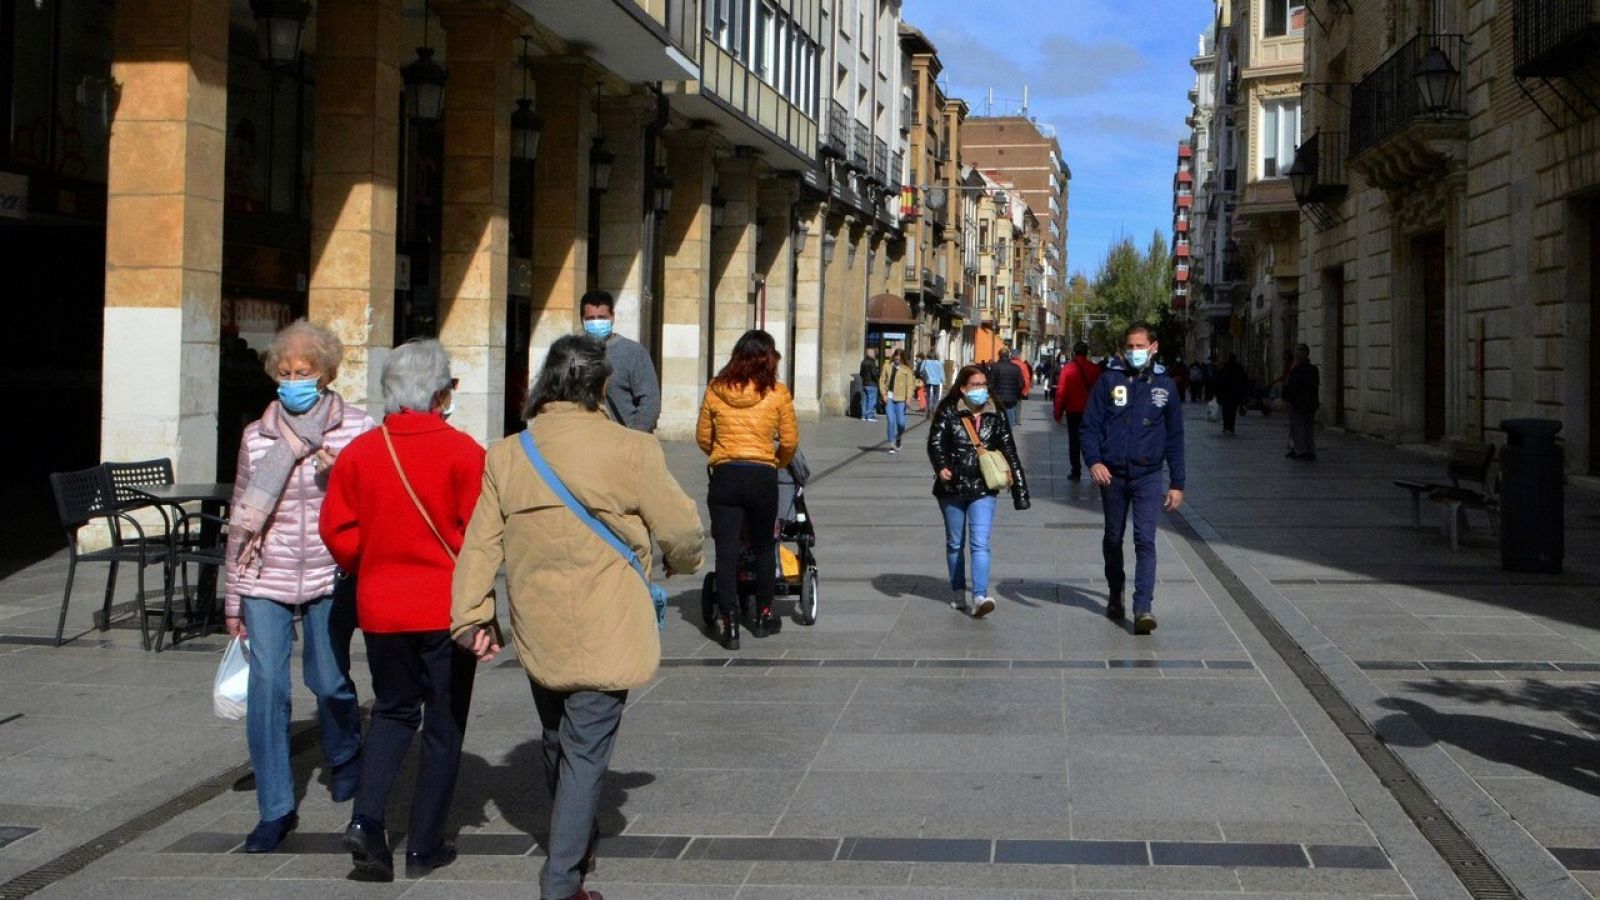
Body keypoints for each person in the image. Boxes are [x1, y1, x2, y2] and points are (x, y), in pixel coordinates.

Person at [452, 335, 703, 900]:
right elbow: (682, 530)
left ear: (545, 384)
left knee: (556, 736)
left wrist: (471, 615)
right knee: (585, 750)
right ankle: (562, 882)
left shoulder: (508, 453)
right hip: (609, 618)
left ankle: (575, 838)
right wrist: (685, 562)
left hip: (538, 623)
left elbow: (479, 544)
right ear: (601, 387)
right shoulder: (630, 448)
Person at [319, 340, 486, 882]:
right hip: (445, 607)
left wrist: (371, 561)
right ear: (441, 393)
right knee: (442, 722)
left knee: (391, 712)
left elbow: (337, 531)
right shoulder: (464, 452)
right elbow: (478, 535)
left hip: (382, 605)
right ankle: (424, 843)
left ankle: (367, 821)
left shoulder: (362, 452)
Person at [223, 319, 374, 853]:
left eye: (303, 372)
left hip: (331, 573)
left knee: (328, 679)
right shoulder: (256, 435)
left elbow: (373, 507)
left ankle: (345, 750)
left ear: (327, 374)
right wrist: (234, 595)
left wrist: (344, 479)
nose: (292, 381)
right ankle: (275, 807)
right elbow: (242, 515)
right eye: (284, 373)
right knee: (269, 688)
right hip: (266, 571)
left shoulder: (356, 429)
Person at [697, 330, 801, 650]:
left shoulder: (715, 390)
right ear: (770, 359)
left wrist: (723, 455)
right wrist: (775, 462)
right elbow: (790, 442)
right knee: (764, 546)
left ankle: (729, 622)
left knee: (726, 551)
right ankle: (764, 614)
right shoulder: (778, 393)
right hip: (761, 477)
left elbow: (703, 437)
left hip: (726, 476)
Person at [1082, 324, 1186, 636]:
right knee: (1113, 538)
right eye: (1130, 345)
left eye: (1140, 345)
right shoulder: (1109, 380)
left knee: (1145, 539)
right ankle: (1116, 592)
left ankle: (1143, 607)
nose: (1134, 351)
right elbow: (1089, 426)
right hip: (1112, 475)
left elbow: (1175, 437)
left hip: (1148, 475)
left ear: (1153, 347)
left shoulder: (1165, 386)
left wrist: (1177, 483)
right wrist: (1094, 461)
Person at [927, 365, 1030, 619]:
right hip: (952, 487)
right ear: (963, 388)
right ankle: (958, 590)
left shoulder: (996, 414)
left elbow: (1010, 452)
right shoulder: (948, 412)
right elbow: (935, 442)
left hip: (984, 487)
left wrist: (1021, 492)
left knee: (980, 543)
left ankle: (980, 596)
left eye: (984, 385)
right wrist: (941, 467)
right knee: (955, 543)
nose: (981, 390)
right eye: (975, 385)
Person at [578, 290, 661, 432]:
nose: (596, 322)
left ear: (612, 317)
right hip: (584, 440)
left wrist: (635, 435)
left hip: (623, 440)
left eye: (601, 317)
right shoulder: (572, 352)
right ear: (582, 320)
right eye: (590, 319)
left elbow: (650, 400)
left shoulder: (633, 352)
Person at [1052, 341, 1103, 481]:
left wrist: (1058, 412)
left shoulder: (1067, 369)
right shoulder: (1094, 369)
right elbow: (1101, 392)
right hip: (1091, 412)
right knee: (1093, 439)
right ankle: (1095, 470)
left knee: (1074, 442)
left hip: (1073, 411)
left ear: (1074, 352)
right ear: (1087, 353)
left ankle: (1076, 471)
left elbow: (1061, 392)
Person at [1284, 343, 1320, 460]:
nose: (1297, 353)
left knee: (1300, 427)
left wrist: (1289, 398)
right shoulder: (1312, 369)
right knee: (1307, 427)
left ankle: (1302, 451)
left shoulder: (1299, 369)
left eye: (1299, 351)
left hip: (1299, 403)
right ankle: (1307, 450)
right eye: (1297, 350)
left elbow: (1293, 386)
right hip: (1308, 403)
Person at [878, 348, 916, 454]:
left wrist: (908, 397)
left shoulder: (907, 369)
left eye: (899, 358)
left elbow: (910, 384)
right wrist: (883, 394)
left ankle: (899, 436)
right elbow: (881, 380)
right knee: (890, 420)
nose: (897, 360)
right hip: (889, 398)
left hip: (901, 399)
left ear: (902, 358)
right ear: (893, 357)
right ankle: (891, 443)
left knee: (901, 423)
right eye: (895, 358)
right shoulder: (887, 366)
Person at [988, 349, 1025, 427]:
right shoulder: (1015, 368)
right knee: (1010, 412)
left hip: (997, 396)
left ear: (999, 355)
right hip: (1011, 396)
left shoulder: (995, 367)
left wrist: (991, 394)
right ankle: (1010, 430)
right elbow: (1021, 383)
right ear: (1009, 355)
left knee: (997, 413)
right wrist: (1017, 394)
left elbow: (990, 382)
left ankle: (998, 428)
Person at [1214, 353, 1247, 435]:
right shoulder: (1239, 368)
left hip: (1225, 394)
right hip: (1234, 394)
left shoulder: (1224, 368)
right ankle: (1231, 427)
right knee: (1232, 412)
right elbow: (1244, 381)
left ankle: (1226, 427)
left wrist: (1217, 394)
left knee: (1225, 411)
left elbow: (1218, 381)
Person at [858, 348, 881, 422]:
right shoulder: (872, 362)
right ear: (871, 354)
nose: (875, 354)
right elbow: (874, 374)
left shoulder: (863, 362)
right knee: (871, 400)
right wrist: (877, 380)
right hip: (872, 384)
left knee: (865, 400)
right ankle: (870, 415)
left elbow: (861, 373)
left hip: (865, 383)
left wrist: (864, 379)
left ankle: (863, 415)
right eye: (874, 353)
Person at [921, 350, 945, 416]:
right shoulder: (939, 363)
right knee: (936, 396)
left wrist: (924, 376)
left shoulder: (925, 362)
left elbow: (921, 370)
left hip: (928, 381)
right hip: (936, 382)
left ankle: (928, 408)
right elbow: (941, 373)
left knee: (928, 396)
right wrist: (943, 380)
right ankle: (934, 407)